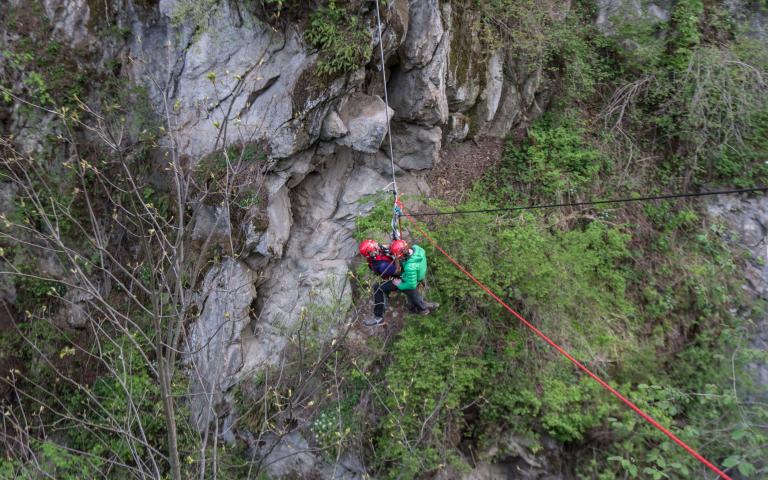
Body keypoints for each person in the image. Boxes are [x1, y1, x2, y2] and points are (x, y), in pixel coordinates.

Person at [363, 239, 438, 327]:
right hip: (413, 273)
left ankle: (379, 317)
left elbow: (407, 281)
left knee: (379, 287)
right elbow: (397, 267)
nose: (378, 246)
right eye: (375, 246)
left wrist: (399, 284)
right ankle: (422, 306)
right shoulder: (417, 249)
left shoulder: (408, 267)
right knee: (406, 285)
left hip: (407, 275)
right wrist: (397, 245)